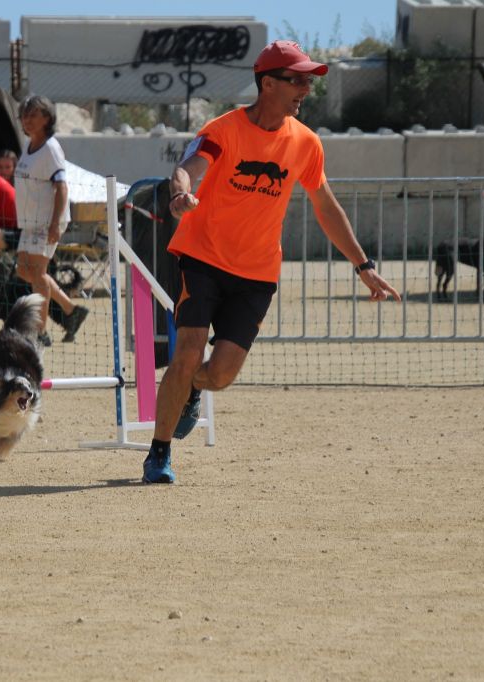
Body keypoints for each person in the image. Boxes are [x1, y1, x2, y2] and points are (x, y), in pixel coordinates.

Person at [141, 40, 401, 485]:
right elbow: (188, 167)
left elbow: (326, 207)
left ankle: (191, 393)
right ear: (267, 83)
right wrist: (181, 194)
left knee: (219, 375)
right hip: (203, 257)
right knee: (187, 351)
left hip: (256, 272)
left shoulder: (305, 143)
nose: (306, 89)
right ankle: (159, 454)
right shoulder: (224, 129)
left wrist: (364, 265)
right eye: (297, 79)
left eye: (308, 81)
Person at [14, 94, 89, 346]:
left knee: (37, 273)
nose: (27, 119)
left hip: (47, 220)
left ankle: (40, 332)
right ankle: (70, 310)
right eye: (25, 115)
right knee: (24, 270)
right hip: (29, 220)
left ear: (47, 118)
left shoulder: (51, 148)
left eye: (33, 115)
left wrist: (55, 223)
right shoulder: (28, 146)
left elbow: (62, 188)